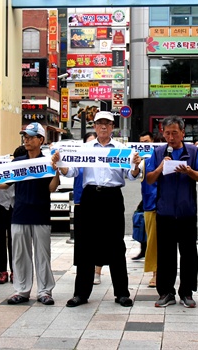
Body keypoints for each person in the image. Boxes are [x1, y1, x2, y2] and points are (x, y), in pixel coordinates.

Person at [53, 111, 142, 308]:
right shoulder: (85, 149)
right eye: (100, 123)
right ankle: (81, 294)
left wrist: (135, 166)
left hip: (112, 197)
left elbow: (132, 175)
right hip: (90, 196)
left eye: (107, 124)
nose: (103, 127)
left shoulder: (122, 149)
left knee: (116, 246)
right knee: (85, 246)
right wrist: (60, 164)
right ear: (94, 126)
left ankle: (122, 293)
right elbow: (73, 171)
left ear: (113, 127)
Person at [0, 123, 60, 305]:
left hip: (40, 214)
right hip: (19, 214)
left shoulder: (47, 162)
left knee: (42, 255)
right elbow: (5, 184)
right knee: (20, 255)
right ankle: (22, 290)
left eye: (31, 136)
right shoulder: (17, 162)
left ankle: (45, 291)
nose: (27, 140)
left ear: (41, 140)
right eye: (25, 136)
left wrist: (56, 171)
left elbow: (51, 188)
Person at [146, 116, 198, 308]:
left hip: (187, 211)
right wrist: (161, 167)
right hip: (165, 212)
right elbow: (149, 179)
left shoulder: (193, 151)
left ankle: (187, 292)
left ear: (182, 133)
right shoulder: (158, 152)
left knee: (189, 253)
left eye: (174, 133)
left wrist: (188, 171)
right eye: (167, 133)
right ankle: (166, 292)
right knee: (165, 254)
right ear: (162, 134)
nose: (171, 137)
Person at [0, 145, 27, 285]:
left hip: (14, 204)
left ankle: (14, 271)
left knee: (14, 238)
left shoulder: (28, 167)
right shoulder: (2, 164)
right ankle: (2, 271)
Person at [70, 132, 102, 285]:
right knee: (82, 241)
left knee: (100, 239)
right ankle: (83, 274)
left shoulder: (104, 160)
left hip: (100, 201)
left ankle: (97, 270)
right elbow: (70, 171)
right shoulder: (80, 158)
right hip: (81, 202)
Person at [138, 131, 157, 287]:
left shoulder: (163, 157)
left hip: (167, 205)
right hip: (150, 204)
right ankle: (155, 273)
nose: (145, 145)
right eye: (141, 143)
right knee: (152, 241)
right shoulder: (142, 162)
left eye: (147, 142)